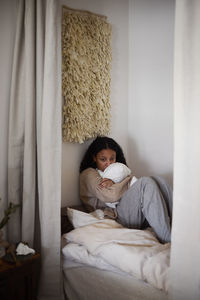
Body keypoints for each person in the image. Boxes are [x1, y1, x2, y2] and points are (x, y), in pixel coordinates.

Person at [79, 136, 173, 244]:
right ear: (94, 158)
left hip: (126, 211)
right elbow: (110, 195)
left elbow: (122, 189)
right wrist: (128, 179)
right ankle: (168, 239)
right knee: (145, 182)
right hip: (114, 216)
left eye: (112, 159)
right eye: (103, 159)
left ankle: (177, 227)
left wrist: (115, 182)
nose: (109, 163)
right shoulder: (89, 174)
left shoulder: (114, 172)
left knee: (158, 180)